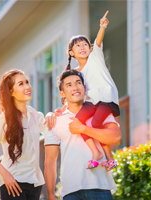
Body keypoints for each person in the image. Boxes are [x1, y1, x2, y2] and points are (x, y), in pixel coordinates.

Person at [44, 69, 122, 200]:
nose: (75, 87)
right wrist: (51, 194)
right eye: (69, 85)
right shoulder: (55, 121)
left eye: (78, 83)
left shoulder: (101, 112)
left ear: (84, 87)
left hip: (100, 188)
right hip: (70, 192)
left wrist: (83, 129)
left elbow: (117, 138)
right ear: (62, 93)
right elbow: (50, 161)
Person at [0, 69, 55, 200]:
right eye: (21, 84)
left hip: (35, 183)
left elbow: (51, 128)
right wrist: (5, 174)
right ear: (11, 92)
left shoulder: (34, 115)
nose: (27, 87)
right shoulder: (5, 119)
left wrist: (50, 114)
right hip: (13, 183)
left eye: (27, 82)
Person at [61, 10, 119, 169]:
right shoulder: (76, 74)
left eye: (85, 44)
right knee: (77, 122)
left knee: (95, 122)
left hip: (106, 99)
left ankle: (109, 156)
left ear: (90, 47)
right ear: (72, 53)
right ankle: (96, 153)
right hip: (92, 101)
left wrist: (102, 27)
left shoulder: (95, 57)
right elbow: (75, 92)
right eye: (77, 46)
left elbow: (98, 41)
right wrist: (63, 108)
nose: (82, 47)